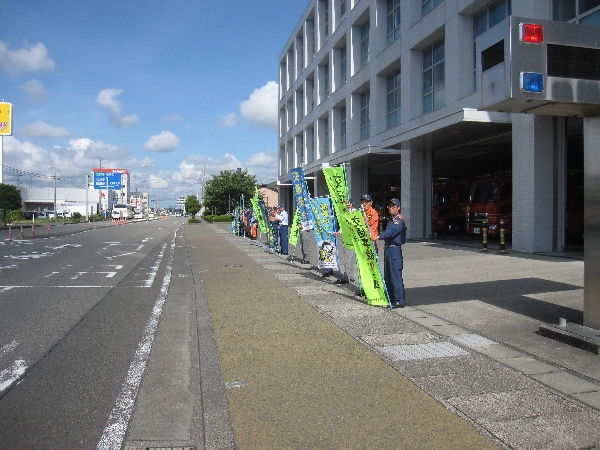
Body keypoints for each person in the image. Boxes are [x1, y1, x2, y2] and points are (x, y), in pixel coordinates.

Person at [370, 198, 407, 308]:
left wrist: (379, 236)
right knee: (388, 275)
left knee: (395, 276)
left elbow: (392, 232)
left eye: (393, 206)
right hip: (388, 249)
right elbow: (388, 232)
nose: (391, 208)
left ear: (398, 208)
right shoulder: (391, 219)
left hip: (395, 250)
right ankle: (390, 297)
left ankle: (399, 300)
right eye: (389, 207)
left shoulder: (398, 220)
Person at [334, 198, 356, 285]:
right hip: (346, 239)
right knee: (348, 259)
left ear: (352, 203)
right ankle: (350, 276)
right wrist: (338, 232)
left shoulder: (355, 212)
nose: (347, 204)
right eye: (346, 203)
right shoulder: (345, 213)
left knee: (348, 260)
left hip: (352, 240)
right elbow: (343, 227)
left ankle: (347, 277)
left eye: (348, 203)